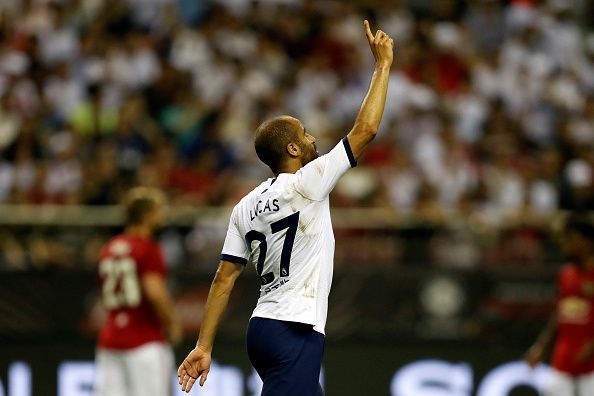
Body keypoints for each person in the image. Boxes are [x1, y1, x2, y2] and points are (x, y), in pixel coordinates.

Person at [177, 20, 394, 395]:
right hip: (294, 327)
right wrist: (382, 67)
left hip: (263, 326)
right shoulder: (307, 183)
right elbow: (366, 130)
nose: (312, 138)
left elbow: (223, 278)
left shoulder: (244, 206)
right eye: (304, 134)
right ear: (292, 149)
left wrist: (203, 344)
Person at [95, 187, 181, 396]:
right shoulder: (147, 248)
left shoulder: (109, 247)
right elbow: (155, 293)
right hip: (145, 340)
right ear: (147, 214)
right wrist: (172, 323)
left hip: (111, 338)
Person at [525, 214, 594, 396]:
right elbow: (559, 314)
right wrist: (541, 347)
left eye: (570, 239)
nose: (565, 245)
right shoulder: (565, 274)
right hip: (563, 362)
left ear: (586, 241)